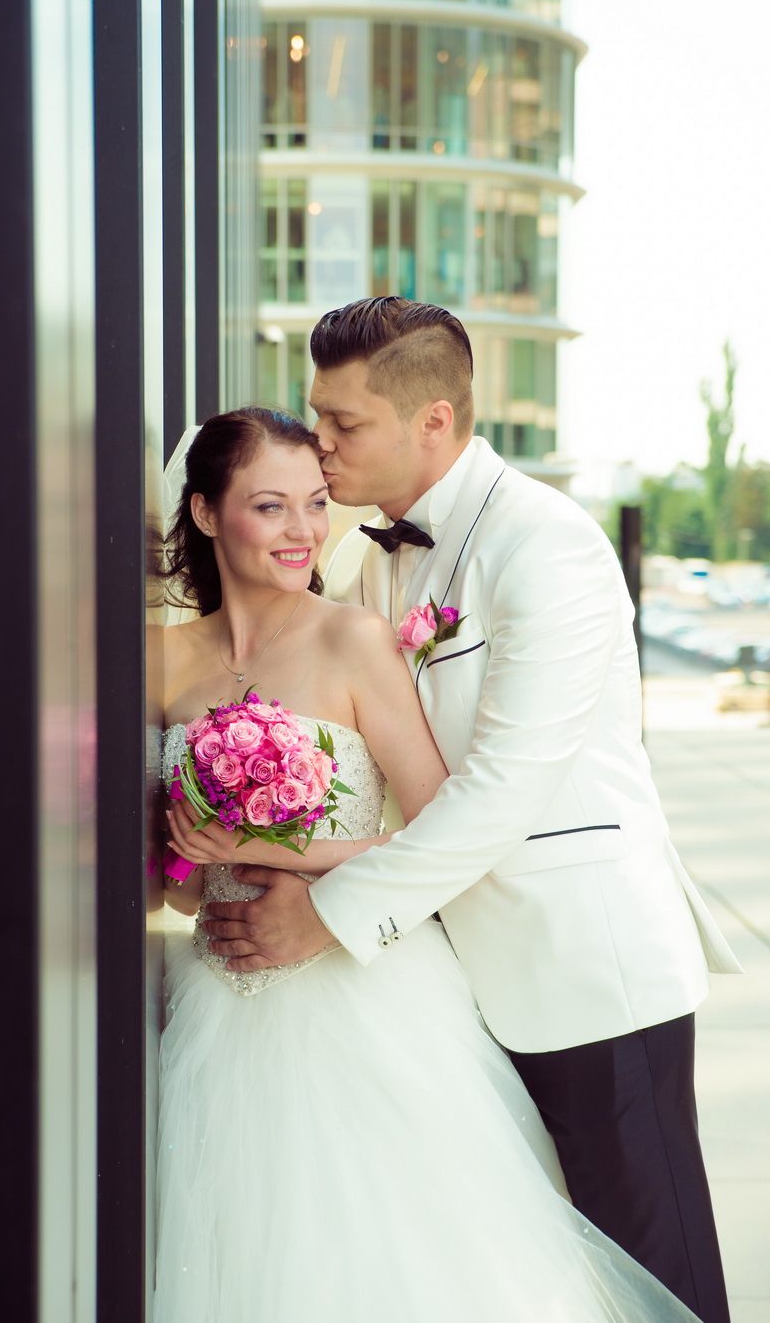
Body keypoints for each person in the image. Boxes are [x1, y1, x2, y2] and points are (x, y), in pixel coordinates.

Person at [192, 304, 742, 1323]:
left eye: (342, 423)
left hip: (582, 970)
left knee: (653, 1272)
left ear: (432, 421)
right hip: (454, 986)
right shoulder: (368, 559)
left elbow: (500, 790)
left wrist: (326, 913)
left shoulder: (546, 547)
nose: (321, 441)